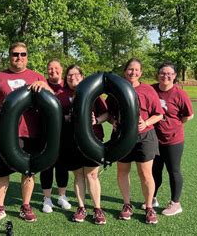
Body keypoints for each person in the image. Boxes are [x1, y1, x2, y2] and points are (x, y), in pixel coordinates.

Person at [0, 42, 53, 223]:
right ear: (9, 55)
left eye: (22, 54)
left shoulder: (36, 76)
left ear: (27, 56)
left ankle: (25, 206)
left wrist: (44, 84)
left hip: (31, 132)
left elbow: (51, 98)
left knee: (28, 171)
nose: (19, 57)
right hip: (5, 133)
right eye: (15, 54)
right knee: (3, 171)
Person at [107, 58, 163, 224]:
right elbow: (110, 113)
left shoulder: (148, 90)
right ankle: (126, 205)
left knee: (145, 174)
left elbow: (159, 114)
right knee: (123, 171)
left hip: (144, 136)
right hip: (122, 137)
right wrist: (113, 121)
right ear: (125, 71)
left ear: (141, 73)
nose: (133, 72)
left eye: (137, 70)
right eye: (130, 69)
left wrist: (145, 122)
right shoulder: (116, 89)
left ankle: (149, 207)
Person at [56, 65, 109, 225]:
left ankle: (97, 208)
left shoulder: (93, 92)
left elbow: (105, 113)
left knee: (92, 175)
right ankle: (81, 207)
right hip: (71, 140)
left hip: (92, 138)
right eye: (69, 75)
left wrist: (96, 120)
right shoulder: (61, 95)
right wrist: (64, 118)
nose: (73, 78)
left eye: (76, 75)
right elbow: (55, 115)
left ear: (82, 76)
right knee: (78, 174)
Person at [151, 61, 194, 216]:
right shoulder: (151, 89)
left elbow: (189, 115)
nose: (165, 76)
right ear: (158, 74)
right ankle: (152, 198)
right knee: (154, 171)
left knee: (173, 170)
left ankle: (175, 203)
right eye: (163, 72)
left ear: (174, 76)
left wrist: (172, 126)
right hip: (154, 139)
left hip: (173, 140)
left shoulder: (179, 93)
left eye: (169, 73)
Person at [39, 59, 72, 213]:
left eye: (56, 68)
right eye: (50, 68)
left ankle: (62, 196)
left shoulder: (69, 86)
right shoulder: (41, 84)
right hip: (46, 132)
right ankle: (47, 199)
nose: (53, 71)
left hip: (65, 133)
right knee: (46, 165)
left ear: (62, 69)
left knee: (62, 165)